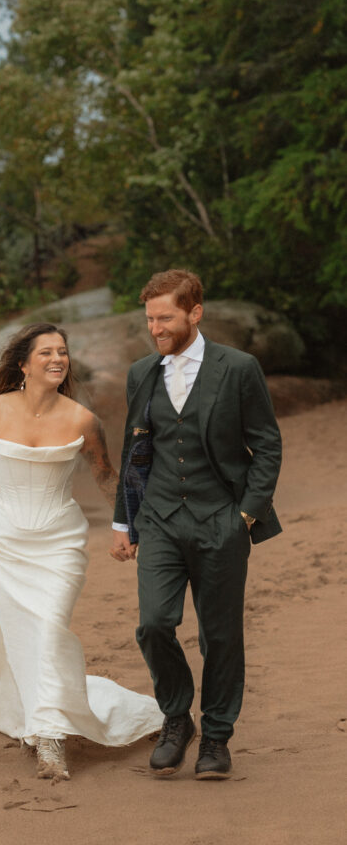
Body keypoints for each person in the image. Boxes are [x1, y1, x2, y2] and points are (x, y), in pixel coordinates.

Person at [0, 322, 162, 780]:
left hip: (59, 543)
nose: (57, 359)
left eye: (62, 352)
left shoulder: (84, 420)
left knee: (48, 631)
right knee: (9, 634)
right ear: (23, 364)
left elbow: (107, 477)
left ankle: (49, 738)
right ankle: (38, 715)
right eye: (45, 352)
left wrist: (130, 527)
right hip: (3, 539)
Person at [111, 269, 282, 780]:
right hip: (159, 519)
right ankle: (176, 718)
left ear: (195, 312)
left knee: (221, 636)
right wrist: (124, 521)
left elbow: (267, 444)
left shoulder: (239, 368)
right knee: (154, 624)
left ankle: (216, 739)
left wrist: (246, 514)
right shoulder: (142, 372)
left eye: (165, 317)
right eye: (150, 319)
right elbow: (135, 451)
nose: (156, 327)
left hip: (220, 521)